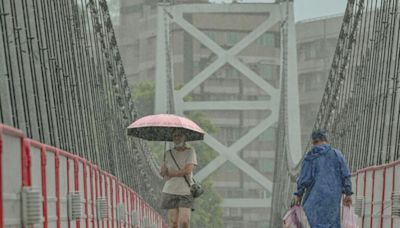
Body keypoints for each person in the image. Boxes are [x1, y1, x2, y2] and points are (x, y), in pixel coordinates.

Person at [293, 129, 353, 227]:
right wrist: (348, 193)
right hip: (332, 201)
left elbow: (304, 179)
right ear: (325, 139)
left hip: (313, 202)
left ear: (313, 142)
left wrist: (298, 195)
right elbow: (345, 175)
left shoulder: (310, 157)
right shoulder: (337, 154)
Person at [160, 129, 197, 228]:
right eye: (175, 136)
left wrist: (172, 173)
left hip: (186, 191)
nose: (177, 138)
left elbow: (188, 170)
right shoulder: (167, 153)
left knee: (184, 221)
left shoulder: (190, 151)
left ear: (184, 137)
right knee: (173, 223)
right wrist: (163, 170)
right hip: (170, 190)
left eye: (179, 136)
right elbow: (163, 173)